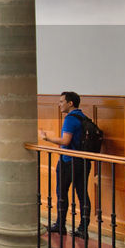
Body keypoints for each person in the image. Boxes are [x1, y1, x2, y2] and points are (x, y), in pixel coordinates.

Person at [39, 91, 92, 237]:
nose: (59, 104)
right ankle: (83, 228)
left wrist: (46, 138)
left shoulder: (70, 119)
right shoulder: (83, 117)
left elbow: (65, 141)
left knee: (61, 192)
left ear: (70, 103)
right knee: (82, 194)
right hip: (83, 161)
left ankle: (60, 224)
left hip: (69, 161)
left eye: (62, 101)